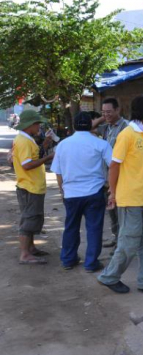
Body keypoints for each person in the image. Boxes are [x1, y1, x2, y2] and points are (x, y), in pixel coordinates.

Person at [97, 94, 143, 296]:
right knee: (129, 241)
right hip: (130, 198)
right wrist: (113, 193)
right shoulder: (128, 134)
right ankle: (109, 276)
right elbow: (114, 166)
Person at [51, 112, 112, 272]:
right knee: (94, 228)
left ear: (74, 125)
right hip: (95, 192)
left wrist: (62, 190)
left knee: (71, 227)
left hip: (71, 193)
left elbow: (58, 172)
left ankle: (68, 260)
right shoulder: (100, 144)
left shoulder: (63, 145)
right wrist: (111, 187)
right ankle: (91, 263)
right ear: (91, 125)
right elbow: (114, 165)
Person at [12, 109, 55, 265]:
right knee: (29, 220)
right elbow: (27, 165)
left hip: (31, 186)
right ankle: (25, 254)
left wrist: (44, 145)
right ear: (30, 125)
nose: (39, 127)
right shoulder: (23, 141)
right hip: (29, 187)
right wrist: (49, 157)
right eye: (37, 124)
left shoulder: (26, 139)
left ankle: (30, 249)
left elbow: (32, 158)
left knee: (33, 218)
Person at [93, 97, 129, 248]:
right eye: (103, 112)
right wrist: (104, 117)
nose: (106, 115)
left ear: (118, 110)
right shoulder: (106, 127)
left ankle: (122, 245)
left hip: (121, 177)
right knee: (112, 212)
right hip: (107, 178)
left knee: (121, 214)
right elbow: (88, 128)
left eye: (109, 111)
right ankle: (116, 239)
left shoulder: (126, 127)